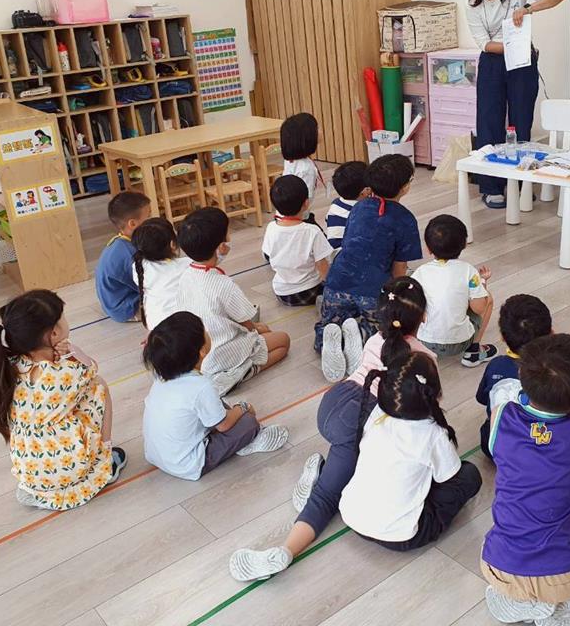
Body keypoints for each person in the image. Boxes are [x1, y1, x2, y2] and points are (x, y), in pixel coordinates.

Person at [229, 277, 433, 581]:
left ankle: (322, 472)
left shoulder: (375, 342)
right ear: (424, 317)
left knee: (347, 459)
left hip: (334, 401)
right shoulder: (424, 359)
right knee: (330, 496)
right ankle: (286, 550)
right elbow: (424, 413)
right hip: (359, 418)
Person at [482, 333, 570, 626]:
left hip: (500, 567)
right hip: (565, 575)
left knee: (494, 541)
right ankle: (565, 605)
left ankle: (522, 601)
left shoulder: (500, 415)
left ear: (522, 378)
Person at [0, 289, 126, 510]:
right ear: (54, 333)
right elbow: (92, 368)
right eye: (64, 317)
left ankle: (38, 488)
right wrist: (74, 352)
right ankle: (104, 463)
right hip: (67, 465)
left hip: (28, 468)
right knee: (99, 387)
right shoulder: (66, 372)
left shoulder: (13, 364)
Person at [340, 351, 482, 550]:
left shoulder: (377, 414)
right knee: (470, 475)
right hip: (401, 536)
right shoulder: (432, 433)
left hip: (352, 515)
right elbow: (449, 476)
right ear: (435, 392)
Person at [467, 0, 565, 209]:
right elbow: (484, 43)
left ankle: (519, 183)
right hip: (493, 62)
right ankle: (491, 187)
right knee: (489, 122)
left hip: (522, 63)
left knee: (520, 123)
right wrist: (513, 45)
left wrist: (528, 9)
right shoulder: (473, 3)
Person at [142, 312, 288, 480]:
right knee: (248, 423)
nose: (208, 332)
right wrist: (243, 407)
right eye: (204, 331)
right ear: (202, 351)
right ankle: (247, 441)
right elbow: (224, 426)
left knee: (216, 404)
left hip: (155, 454)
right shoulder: (200, 386)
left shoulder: (161, 375)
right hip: (189, 464)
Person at [315, 154, 422, 381]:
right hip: (372, 292)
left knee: (330, 319)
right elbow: (399, 269)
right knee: (384, 332)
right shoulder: (405, 219)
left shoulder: (359, 207)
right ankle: (362, 333)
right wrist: (395, 298)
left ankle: (329, 335)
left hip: (336, 284)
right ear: (404, 187)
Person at [175, 207, 290, 396]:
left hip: (198, 355)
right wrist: (256, 328)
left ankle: (234, 370)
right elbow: (246, 321)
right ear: (221, 247)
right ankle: (245, 371)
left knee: (266, 334)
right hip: (225, 350)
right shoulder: (222, 284)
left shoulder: (186, 275)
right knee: (283, 341)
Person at [412, 214, 496, 367]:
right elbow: (480, 308)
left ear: (428, 248)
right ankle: (473, 352)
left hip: (425, 341)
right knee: (488, 298)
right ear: (464, 244)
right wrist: (483, 283)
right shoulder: (469, 272)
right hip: (460, 342)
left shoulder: (420, 273)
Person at [476, 294, 553, 458]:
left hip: (499, 447)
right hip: (546, 444)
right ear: (552, 332)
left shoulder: (496, 365)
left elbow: (482, 398)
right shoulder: (560, 369)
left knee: (488, 430)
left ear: (502, 337)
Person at [262, 175, 332, 306]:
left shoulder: (271, 227)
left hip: (281, 292)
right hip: (309, 290)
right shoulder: (312, 231)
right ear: (306, 203)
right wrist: (332, 289)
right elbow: (322, 266)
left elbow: (267, 255)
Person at [95, 191, 151, 322]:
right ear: (132, 224)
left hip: (115, 302)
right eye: (148, 217)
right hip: (125, 308)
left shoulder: (122, 241)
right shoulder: (129, 254)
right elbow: (148, 284)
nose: (152, 220)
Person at [132, 217, 191, 329]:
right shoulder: (186, 265)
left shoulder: (138, 266)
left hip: (154, 325)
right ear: (173, 244)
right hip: (183, 328)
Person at [280, 112, 323, 221]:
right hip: (298, 218)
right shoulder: (306, 169)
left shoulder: (290, 160)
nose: (320, 131)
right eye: (317, 129)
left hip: (284, 214)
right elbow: (305, 200)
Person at [325, 160, 369, 250]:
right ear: (364, 192)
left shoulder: (336, 204)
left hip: (334, 252)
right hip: (351, 252)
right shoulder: (362, 212)